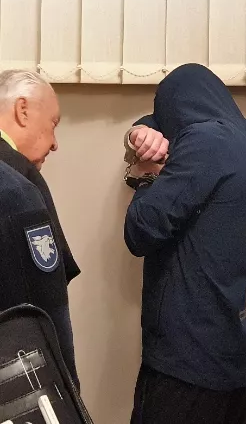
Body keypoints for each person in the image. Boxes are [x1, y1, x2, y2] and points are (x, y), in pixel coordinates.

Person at [122, 63, 246, 424]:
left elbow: (139, 231)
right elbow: (161, 127)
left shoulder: (205, 142)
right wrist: (139, 131)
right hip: (230, 349)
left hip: (184, 357)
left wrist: (145, 174)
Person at [0, 69, 168, 392]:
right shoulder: (20, 187)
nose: (55, 144)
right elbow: (45, 307)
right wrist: (67, 389)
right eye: (53, 124)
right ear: (22, 110)